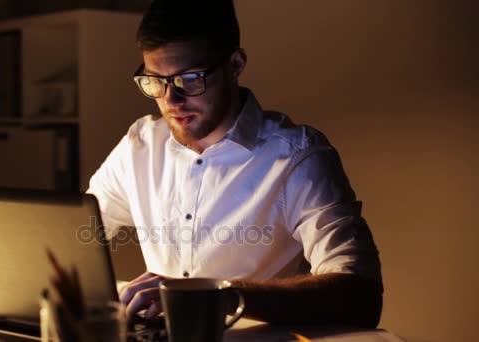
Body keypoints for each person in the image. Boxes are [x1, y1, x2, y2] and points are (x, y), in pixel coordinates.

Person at [87, 0, 383, 328]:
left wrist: (217, 296)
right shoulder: (139, 145)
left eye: (190, 78)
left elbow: (360, 295)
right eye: (155, 80)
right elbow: (76, 236)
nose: (171, 100)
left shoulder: (298, 156)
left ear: (235, 64)